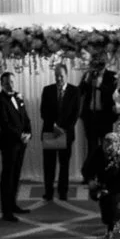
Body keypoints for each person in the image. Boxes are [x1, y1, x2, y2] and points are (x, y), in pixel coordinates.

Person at [0, 71, 33, 220]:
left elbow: (25, 117)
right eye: (7, 83)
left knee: (16, 175)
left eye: (12, 82)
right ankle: (6, 211)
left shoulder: (18, 97)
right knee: (7, 177)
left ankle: (13, 204)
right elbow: (4, 124)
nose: (10, 85)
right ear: (2, 84)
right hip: (9, 144)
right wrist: (19, 135)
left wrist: (28, 132)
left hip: (21, 143)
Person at [39, 63, 81, 202]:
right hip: (50, 132)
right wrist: (54, 126)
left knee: (64, 165)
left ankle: (63, 192)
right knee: (49, 165)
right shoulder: (47, 90)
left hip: (66, 133)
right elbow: (43, 112)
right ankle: (48, 192)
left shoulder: (74, 91)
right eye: (56, 76)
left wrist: (62, 128)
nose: (58, 78)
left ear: (66, 75)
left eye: (61, 76)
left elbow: (75, 114)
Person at [77, 55, 120, 183]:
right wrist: (85, 80)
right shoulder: (89, 75)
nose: (98, 66)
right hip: (90, 116)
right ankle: (89, 175)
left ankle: (105, 175)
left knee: (106, 147)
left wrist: (100, 85)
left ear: (105, 63)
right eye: (96, 63)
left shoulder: (112, 76)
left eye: (101, 63)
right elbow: (80, 92)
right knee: (92, 147)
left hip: (105, 117)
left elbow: (111, 93)